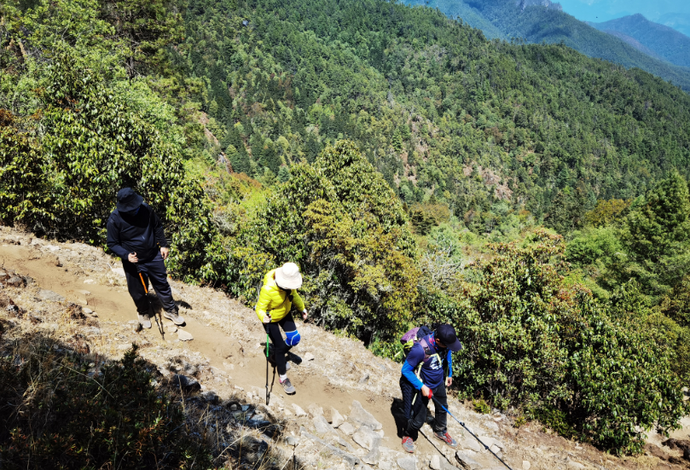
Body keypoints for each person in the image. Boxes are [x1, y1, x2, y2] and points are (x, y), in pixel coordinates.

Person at [106, 187, 184, 329]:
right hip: (133, 261)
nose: (134, 210)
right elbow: (112, 243)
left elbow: (157, 226)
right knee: (138, 290)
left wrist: (164, 245)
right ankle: (143, 312)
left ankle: (170, 310)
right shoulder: (114, 219)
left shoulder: (146, 209)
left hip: (153, 255)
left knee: (162, 284)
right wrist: (126, 255)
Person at [399, 324, 462, 453]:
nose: (450, 348)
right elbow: (405, 370)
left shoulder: (444, 344)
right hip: (424, 386)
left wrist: (449, 374)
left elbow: (447, 353)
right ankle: (408, 435)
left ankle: (440, 430)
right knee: (418, 419)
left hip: (438, 382)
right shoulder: (420, 349)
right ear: (438, 341)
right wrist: (421, 386)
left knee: (442, 407)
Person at [255, 262, 308, 395]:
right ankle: (283, 378)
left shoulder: (289, 285)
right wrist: (263, 317)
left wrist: (302, 308)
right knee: (280, 347)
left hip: (285, 313)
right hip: (271, 319)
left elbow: (294, 296)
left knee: (295, 339)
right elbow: (259, 308)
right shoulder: (268, 289)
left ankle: (276, 355)